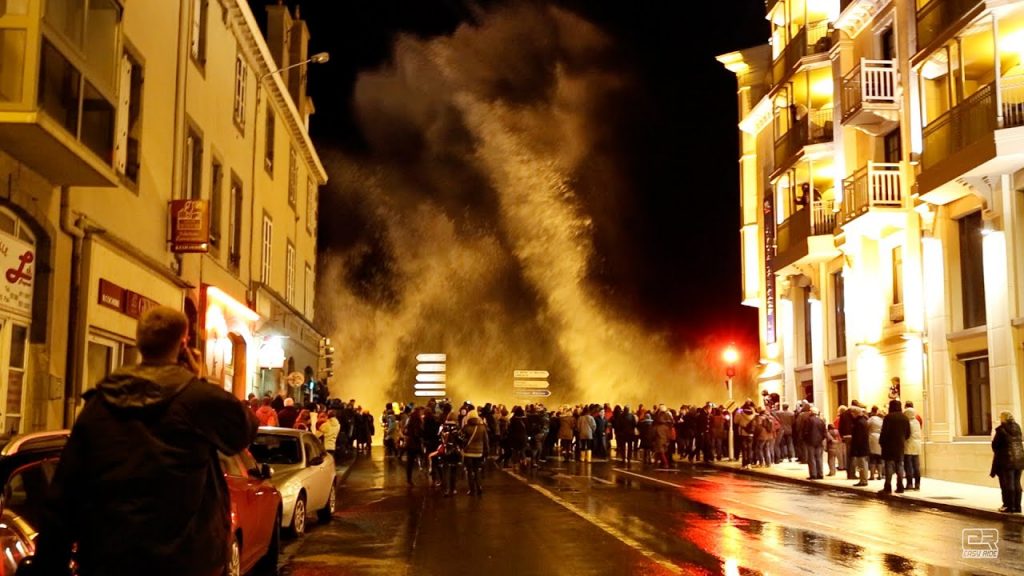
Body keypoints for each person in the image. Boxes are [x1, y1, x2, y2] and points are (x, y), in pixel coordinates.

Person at [30, 306, 259, 576]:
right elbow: (243, 431)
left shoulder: (100, 404)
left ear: (139, 343)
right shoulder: (196, 400)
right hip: (184, 561)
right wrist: (200, 380)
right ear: (184, 344)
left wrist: (49, 564)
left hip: (109, 558)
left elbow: (65, 493)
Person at [991, 411, 1024, 513]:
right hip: (1019, 459)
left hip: (1006, 461)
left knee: (1007, 484)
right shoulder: (1017, 428)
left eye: (1000, 417)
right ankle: (1017, 506)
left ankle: (1009, 506)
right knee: (1017, 483)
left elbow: (995, 446)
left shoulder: (1001, 430)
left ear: (1003, 418)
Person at [879, 399, 910, 494]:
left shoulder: (888, 417)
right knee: (900, 465)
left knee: (889, 466)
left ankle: (887, 486)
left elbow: (884, 432)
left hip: (889, 445)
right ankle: (900, 486)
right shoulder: (905, 418)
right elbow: (908, 433)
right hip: (900, 445)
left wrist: (882, 442)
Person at [462, 409, 489, 495]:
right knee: (477, 470)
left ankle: (471, 490)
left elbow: (461, 440)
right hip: (479, 453)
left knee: (470, 471)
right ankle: (479, 487)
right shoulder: (482, 427)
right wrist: (486, 452)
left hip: (468, 453)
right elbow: (486, 441)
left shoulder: (465, 428)